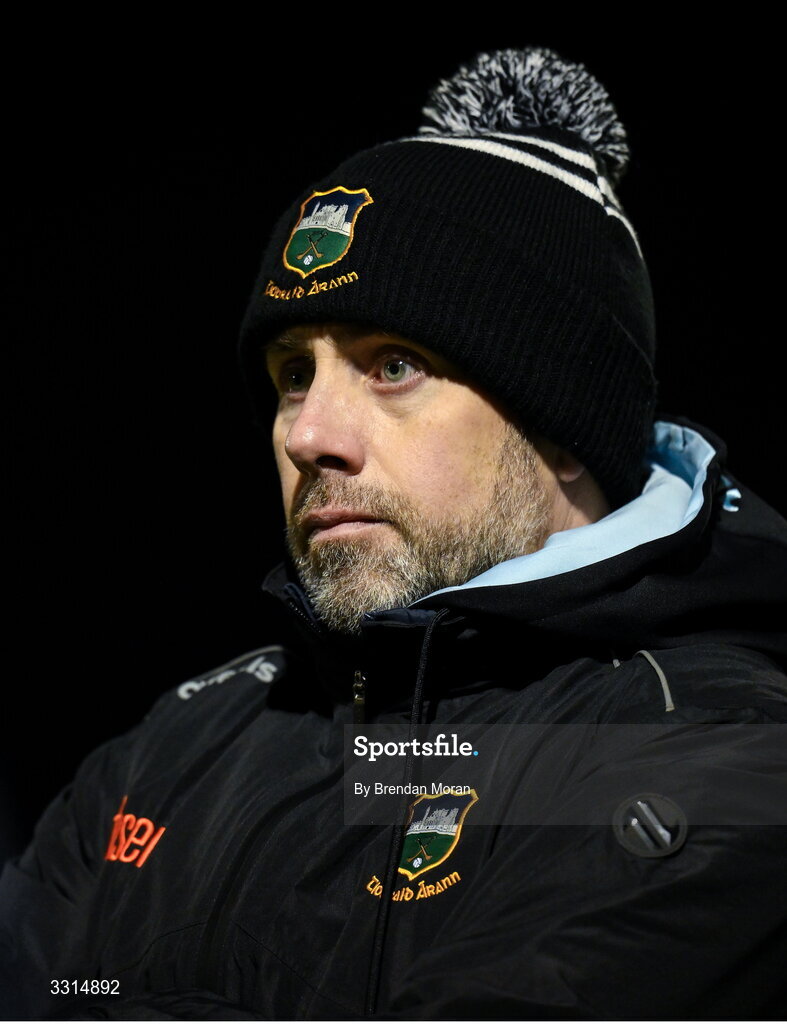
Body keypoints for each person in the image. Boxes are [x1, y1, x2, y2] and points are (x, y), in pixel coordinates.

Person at [2, 45, 786, 1021]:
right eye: (295, 373)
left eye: (394, 364)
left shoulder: (728, 756)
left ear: (566, 427)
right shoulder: (175, 748)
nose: (307, 434)